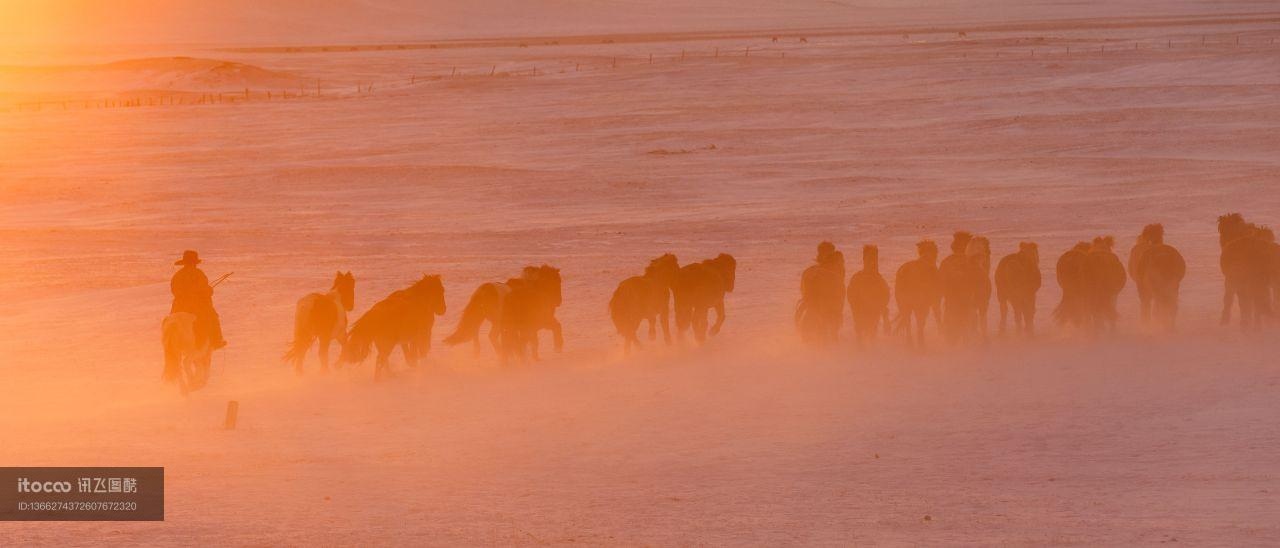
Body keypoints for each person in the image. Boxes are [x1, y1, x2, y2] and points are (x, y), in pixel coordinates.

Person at [170, 250, 227, 350]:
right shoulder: (199, 274)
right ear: (195, 263)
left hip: (178, 307)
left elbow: (175, 291)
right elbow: (206, 292)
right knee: (213, 316)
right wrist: (209, 290)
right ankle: (217, 341)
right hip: (196, 307)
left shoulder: (177, 275)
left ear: (184, 262)